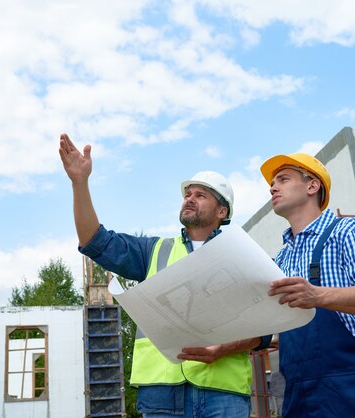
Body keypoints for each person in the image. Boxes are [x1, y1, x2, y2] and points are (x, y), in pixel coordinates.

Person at [58, 133, 271, 418]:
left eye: (200, 195)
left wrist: (225, 348)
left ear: (222, 210)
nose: (189, 199)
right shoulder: (154, 250)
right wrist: (79, 184)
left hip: (223, 391)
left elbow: (264, 331)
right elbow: (95, 241)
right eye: (187, 194)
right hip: (161, 392)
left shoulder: (242, 255)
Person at [261, 153, 355, 417]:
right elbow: (277, 329)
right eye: (272, 182)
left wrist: (317, 295)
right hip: (297, 393)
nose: (272, 187)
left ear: (312, 186)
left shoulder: (348, 230)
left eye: (283, 179)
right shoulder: (282, 257)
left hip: (354, 390)